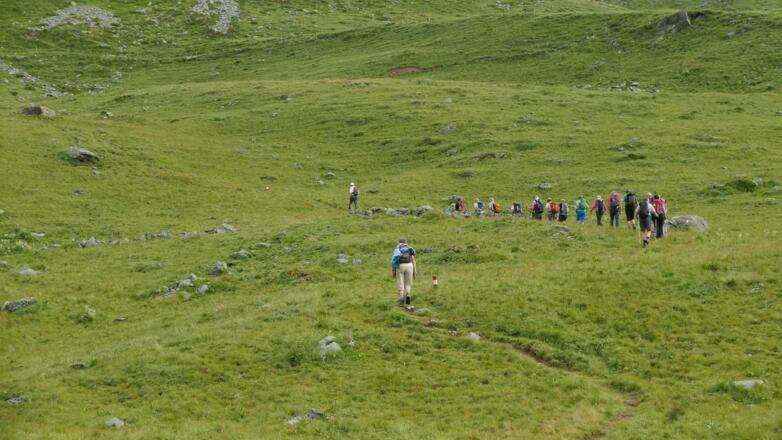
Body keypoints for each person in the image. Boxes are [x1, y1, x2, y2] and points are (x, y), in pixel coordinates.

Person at [391, 238, 417, 306]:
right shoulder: (409, 248)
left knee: (400, 282)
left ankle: (402, 297)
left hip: (400, 266)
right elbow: (413, 260)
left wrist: (393, 271)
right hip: (409, 265)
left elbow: (394, 261)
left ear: (398, 242)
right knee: (408, 283)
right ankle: (408, 294)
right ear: (405, 242)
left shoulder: (397, 249)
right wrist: (415, 271)